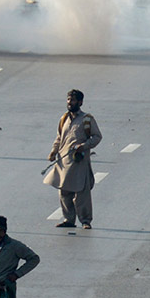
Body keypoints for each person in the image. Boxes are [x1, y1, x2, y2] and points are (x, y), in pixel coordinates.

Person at [44, 89, 102, 228]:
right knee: (64, 192)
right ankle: (69, 220)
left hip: (79, 162)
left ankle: (85, 221)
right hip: (63, 163)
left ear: (80, 102)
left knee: (82, 193)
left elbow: (97, 137)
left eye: (74, 100)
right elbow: (59, 138)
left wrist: (84, 146)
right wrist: (53, 151)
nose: (70, 103)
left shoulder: (87, 119)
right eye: (69, 100)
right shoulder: (64, 118)